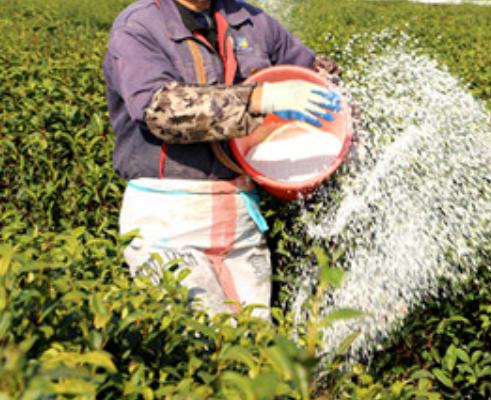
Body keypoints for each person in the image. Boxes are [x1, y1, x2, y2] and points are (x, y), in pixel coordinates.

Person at [103, 0, 342, 318]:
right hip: (168, 217)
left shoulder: (251, 21)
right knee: (196, 340)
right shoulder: (139, 26)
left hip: (240, 213)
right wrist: (260, 99)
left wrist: (329, 89)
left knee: (256, 341)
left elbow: (311, 73)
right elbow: (161, 110)